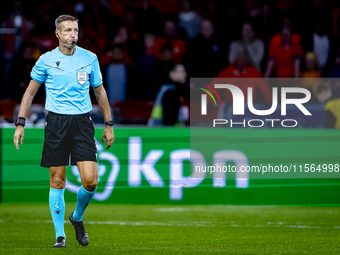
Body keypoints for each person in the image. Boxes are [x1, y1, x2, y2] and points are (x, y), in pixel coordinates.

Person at [13, 14, 114, 248]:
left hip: (82, 124)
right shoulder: (46, 60)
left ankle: (76, 217)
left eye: (76, 30)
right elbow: (29, 93)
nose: (73, 35)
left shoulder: (89, 58)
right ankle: (60, 236)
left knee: (90, 181)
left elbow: (100, 92)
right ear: (57, 34)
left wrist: (109, 124)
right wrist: (20, 123)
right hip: (56, 124)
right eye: (67, 30)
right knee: (57, 180)